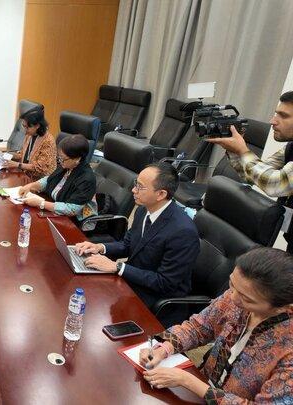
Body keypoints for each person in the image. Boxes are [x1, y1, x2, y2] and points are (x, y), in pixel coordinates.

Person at [138, 247, 293, 403]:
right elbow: (198, 328)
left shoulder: (288, 349)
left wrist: (188, 381)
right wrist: (165, 348)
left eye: (246, 299)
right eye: (231, 284)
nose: (233, 297)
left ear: (283, 307)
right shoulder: (235, 296)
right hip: (201, 386)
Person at [75, 162, 199, 326]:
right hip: (132, 283)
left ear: (161, 194)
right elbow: (128, 245)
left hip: (155, 300)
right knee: (83, 292)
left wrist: (118, 267)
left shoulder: (183, 232)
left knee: (93, 312)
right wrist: (99, 247)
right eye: (135, 184)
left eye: (140, 187)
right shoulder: (143, 210)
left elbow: (164, 283)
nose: (133, 190)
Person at [207, 91, 293, 253]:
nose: (273, 121)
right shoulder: (290, 147)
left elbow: (274, 184)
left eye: (283, 116)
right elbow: (256, 175)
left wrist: (243, 150)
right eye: (276, 114)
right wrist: (233, 150)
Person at [17, 134, 97, 221]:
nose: (60, 161)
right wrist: (31, 186)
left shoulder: (86, 179)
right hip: (52, 208)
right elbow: (49, 180)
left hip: (71, 221)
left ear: (77, 159)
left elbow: (72, 209)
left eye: (63, 159)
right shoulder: (67, 165)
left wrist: (41, 203)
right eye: (59, 158)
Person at [2, 107, 57, 179]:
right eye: (24, 126)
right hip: (25, 174)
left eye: (27, 127)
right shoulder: (29, 135)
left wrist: (17, 165)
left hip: (39, 180)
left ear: (37, 126)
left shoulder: (48, 141)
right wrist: (8, 155)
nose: (25, 130)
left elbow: (40, 167)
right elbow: (23, 155)